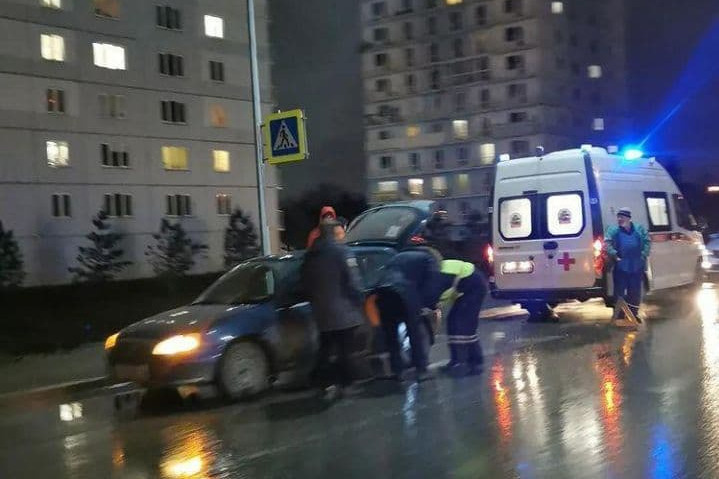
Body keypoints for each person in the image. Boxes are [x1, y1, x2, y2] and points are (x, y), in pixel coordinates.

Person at [301, 219, 366, 400]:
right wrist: (360, 299)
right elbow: (354, 281)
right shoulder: (342, 252)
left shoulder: (310, 255)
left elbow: (304, 282)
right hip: (344, 310)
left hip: (320, 311)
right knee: (345, 350)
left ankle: (322, 383)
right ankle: (346, 385)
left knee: (326, 348)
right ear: (333, 232)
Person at [374, 247, 443, 382]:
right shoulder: (429, 260)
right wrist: (429, 305)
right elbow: (431, 286)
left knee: (391, 334)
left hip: (382, 291)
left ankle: (397, 371)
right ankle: (421, 370)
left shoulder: (398, 257)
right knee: (414, 332)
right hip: (403, 293)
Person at [437, 259, 487, 377]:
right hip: (469, 284)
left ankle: (462, 363)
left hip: (473, 285)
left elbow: (442, 295)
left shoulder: (436, 277)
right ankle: (469, 361)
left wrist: (433, 304)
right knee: (455, 322)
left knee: (460, 325)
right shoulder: (436, 270)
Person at [605, 207, 651, 323]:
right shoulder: (614, 230)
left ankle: (633, 315)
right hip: (621, 266)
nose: (619, 219)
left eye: (622, 217)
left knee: (635, 292)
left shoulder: (639, 229)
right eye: (618, 217)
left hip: (636, 266)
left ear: (628, 218)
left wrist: (643, 255)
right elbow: (607, 243)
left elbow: (647, 242)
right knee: (619, 293)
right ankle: (619, 316)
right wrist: (615, 255)